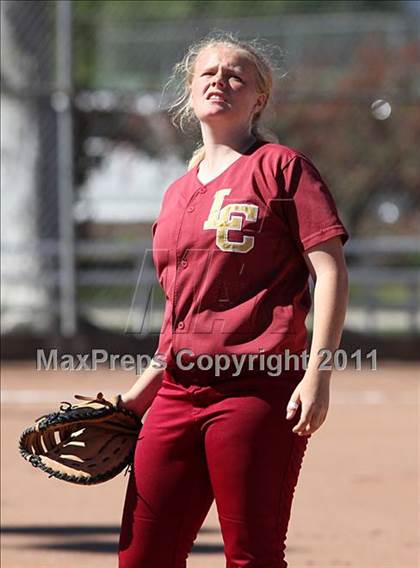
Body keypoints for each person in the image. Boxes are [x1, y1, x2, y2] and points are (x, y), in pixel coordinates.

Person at [118, 31, 349, 568]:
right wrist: (138, 396)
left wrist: (319, 374)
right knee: (142, 557)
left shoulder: (281, 168)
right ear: (190, 89)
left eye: (235, 75)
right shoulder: (178, 191)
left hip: (257, 390)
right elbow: (182, 313)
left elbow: (330, 270)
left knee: (252, 556)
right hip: (176, 395)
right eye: (208, 73)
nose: (220, 81)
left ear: (259, 98)